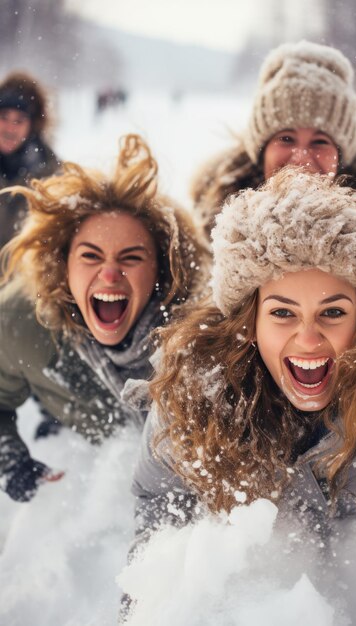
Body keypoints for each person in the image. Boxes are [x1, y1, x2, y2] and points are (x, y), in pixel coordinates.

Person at [126, 168, 356, 552]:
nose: (309, 338)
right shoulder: (191, 397)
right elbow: (158, 507)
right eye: (282, 313)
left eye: (332, 313)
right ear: (249, 324)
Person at [0, 133, 208, 503]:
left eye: (131, 257)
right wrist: (10, 459)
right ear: (63, 267)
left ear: (162, 272)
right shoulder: (20, 324)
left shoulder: (199, 338)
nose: (110, 276)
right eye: (91, 256)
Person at [191, 40, 356, 309]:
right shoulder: (212, 219)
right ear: (261, 151)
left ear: (341, 156)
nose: (301, 157)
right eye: (286, 138)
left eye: (320, 142)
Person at [0, 71, 60, 251]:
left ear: (32, 126)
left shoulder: (52, 175)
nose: (9, 128)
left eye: (19, 121)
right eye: (3, 117)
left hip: (22, 276)